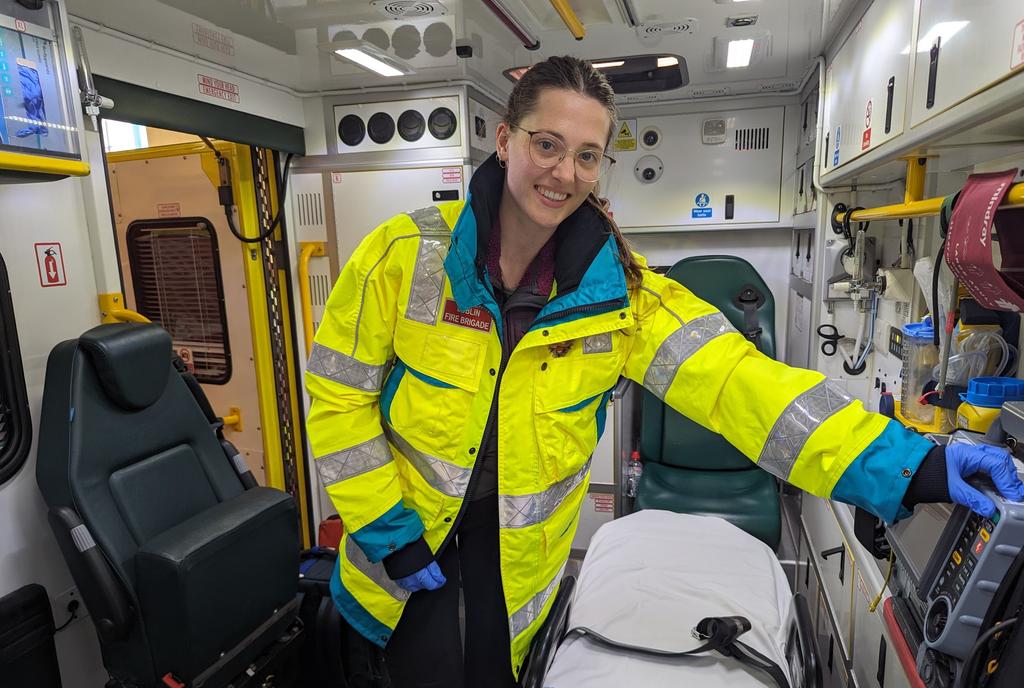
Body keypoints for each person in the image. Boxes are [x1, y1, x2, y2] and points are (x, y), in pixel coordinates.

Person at [305, 55, 1024, 688]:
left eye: (587, 156)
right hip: (396, 561)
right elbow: (338, 402)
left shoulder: (622, 297)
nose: (564, 172)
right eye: (547, 145)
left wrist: (916, 465)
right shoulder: (403, 258)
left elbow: (747, 385)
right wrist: (387, 532)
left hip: (513, 578)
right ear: (504, 139)